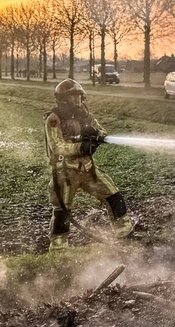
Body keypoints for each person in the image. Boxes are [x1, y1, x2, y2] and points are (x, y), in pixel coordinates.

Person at [44, 79, 133, 251]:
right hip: (65, 172)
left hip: (87, 168)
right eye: (72, 98)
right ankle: (59, 247)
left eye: (79, 98)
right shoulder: (53, 119)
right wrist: (81, 146)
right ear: (62, 100)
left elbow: (102, 132)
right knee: (63, 210)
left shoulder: (86, 116)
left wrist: (95, 134)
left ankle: (125, 233)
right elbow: (57, 146)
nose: (77, 102)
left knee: (113, 195)